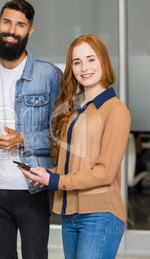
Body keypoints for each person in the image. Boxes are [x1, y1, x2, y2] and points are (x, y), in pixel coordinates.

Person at [18, 34, 131, 259]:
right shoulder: (74, 110)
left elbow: (105, 173)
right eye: (77, 62)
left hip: (100, 214)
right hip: (70, 213)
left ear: (103, 63)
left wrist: (56, 181)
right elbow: (74, 164)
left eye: (91, 59)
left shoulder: (115, 110)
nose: (83, 67)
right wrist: (46, 174)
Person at [0, 0, 62, 259]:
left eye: (20, 25)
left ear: (29, 32)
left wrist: (23, 140)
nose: (12, 29)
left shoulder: (50, 75)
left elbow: (62, 136)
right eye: (7, 22)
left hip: (32, 189)